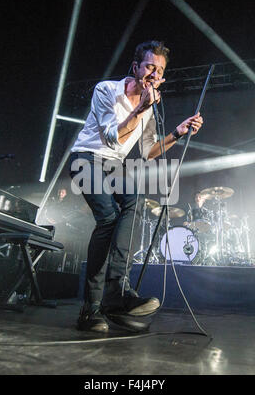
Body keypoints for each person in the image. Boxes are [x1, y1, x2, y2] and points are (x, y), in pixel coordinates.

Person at [69, 41, 204, 332]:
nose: (154, 74)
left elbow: (148, 151)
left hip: (114, 166)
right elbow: (111, 138)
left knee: (134, 199)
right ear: (136, 68)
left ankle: (117, 294)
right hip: (86, 159)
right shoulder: (107, 90)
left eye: (160, 70)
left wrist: (177, 133)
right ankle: (90, 308)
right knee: (107, 217)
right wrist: (140, 108)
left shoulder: (150, 109)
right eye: (150, 67)